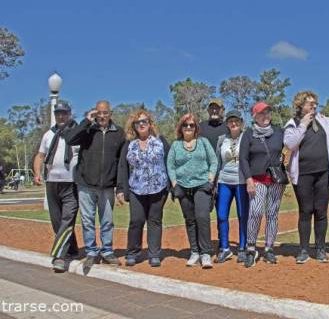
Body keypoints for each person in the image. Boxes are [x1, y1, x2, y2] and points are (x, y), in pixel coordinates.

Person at [66, 100, 125, 271]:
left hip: (107, 186)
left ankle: (107, 251)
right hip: (86, 184)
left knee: (107, 221)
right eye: (98, 112)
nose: (102, 116)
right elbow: (70, 139)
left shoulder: (118, 133)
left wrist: (119, 186)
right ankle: (91, 251)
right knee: (87, 221)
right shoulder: (87, 130)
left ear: (110, 114)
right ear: (94, 113)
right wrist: (86, 121)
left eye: (105, 112)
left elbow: (121, 163)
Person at [284, 91, 329, 264]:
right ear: (300, 105)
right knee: (305, 212)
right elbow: (290, 144)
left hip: (323, 173)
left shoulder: (323, 120)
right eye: (309, 103)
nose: (314, 106)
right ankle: (304, 249)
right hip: (303, 175)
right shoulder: (293, 124)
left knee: (321, 212)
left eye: (315, 103)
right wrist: (304, 124)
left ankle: (320, 249)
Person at [117, 110, 170, 267]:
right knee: (136, 220)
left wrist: (169, 187)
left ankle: (154, 254)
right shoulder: (129, 144)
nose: (141, 124)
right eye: (137, 122)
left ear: (150, 124)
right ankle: (133, 252)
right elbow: (122, 167)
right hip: (136, 189)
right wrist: (121, 189)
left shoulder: (161, 142)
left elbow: (170, 162)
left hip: (158, 189)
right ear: (133, 126)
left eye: (144, 121)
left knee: (154, 221)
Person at [33, 102, 80, 272]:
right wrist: (37, 173)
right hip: (52, 183)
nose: (61, 116)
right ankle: (72, 249)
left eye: (64, 113)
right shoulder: (48, 135)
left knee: (67, 220)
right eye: (58, 113)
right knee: (57, 222)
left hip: (71, 184)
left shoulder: (78, 133)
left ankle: (60, 256)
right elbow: (40, 155)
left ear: (69, 114)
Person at [167, 113, 218, 269]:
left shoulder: (203, 142)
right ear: (180, 128)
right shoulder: (175, 145)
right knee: (190, 220)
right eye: (185, 125)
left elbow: (213, 161)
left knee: (202, 217)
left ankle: (205, 253)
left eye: (191, 125)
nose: (188, 127)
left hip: (202, 185)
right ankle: (194, 251)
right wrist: (175, 183)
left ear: (196, 128)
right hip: (182, 187)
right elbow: (170, 165)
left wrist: (210, 179)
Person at [240, 102, 286, 268]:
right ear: (254, 116)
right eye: (261, 113)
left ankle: (269, 248)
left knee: (273, 213)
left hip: (275, 180)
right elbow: (243, 158)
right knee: (256, 211)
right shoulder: (248, 134)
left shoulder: (279, 132)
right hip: (257, 179)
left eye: (267, 113)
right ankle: (251, 248)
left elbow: (295, 140)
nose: (265, 116)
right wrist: (248, 179)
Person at [214, 110, 249, 264]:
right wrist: (214, 182)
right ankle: (225, 248)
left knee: (242, 215)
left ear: (241, 122)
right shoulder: (222, 139)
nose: (233, 124)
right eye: (230, 121)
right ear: (227, 124)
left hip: (241, 182)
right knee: (222, 216)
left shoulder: (247, 137)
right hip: (224, 181)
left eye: (236, 121)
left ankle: (242, 248)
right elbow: (217, 162)